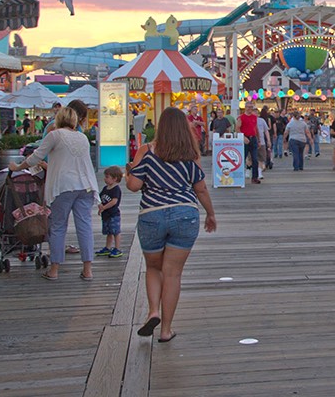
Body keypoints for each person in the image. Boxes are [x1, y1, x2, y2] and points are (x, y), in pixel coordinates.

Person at [126, 107, 217, 343]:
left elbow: (134, 186)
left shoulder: (146, 151)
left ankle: (153, 311)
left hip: (152, 215)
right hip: (185, 215)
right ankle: (166, 330)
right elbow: (201, 189)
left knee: (154, 268)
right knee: (173, 274)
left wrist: (130, 174)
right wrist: (210, 214)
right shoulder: (190, 154)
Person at [8, 106, 98, 281]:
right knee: (85, 227)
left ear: (58, 119)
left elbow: (35, 157)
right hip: (86, 186)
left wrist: (17, 167)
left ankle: (54, 270)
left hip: (63, 186)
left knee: (57, 226)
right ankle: (88, 270)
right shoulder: (82, 138)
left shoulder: (54, 135)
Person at [96, 166, 124, 258]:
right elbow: (100, 198)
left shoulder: (116, 189)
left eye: (107, 177)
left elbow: (114, 201)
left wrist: (104, 207)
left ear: (115, 178)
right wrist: (100, 206)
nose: (105, 179)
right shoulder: (105, 188)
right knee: (109, 232)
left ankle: (117, 248)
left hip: (113, 214)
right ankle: (108, 247)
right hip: (106, 215)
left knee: (116, 231)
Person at [238, 103, 261, 184]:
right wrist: (243, 137)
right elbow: (237, 128)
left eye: (251, 107)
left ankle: (255, 177)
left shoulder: (254, 117)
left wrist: (258, 140)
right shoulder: (241, 117)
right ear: (245, 108)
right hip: (245, 139)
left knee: (255, 159)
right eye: (248, 107)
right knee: (242, 158)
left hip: (253, 138)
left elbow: (256, 128)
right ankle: (239, 177)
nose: (249, 109)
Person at [256, 109, 271, 180]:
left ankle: (259, 172)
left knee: (261, 158)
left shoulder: (261, 120)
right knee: (250, 158)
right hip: (252, 141)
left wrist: (268, 140)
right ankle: (248, 169)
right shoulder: (249, 120)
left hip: (261, 141)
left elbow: (266, 130)